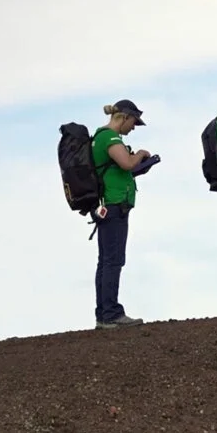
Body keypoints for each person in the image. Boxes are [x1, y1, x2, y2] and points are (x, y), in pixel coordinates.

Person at [92, 99, 152, 329]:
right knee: (113, 260)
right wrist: (141, 155)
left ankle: (104, 313)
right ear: (124, 117)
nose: (134, 127)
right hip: (114, 205)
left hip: (109, 204)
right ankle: (110, 313)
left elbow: (120, 169)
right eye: (134, 122)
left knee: (106, 260)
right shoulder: (109, 137)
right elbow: (126, 163)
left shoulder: (101, 138)